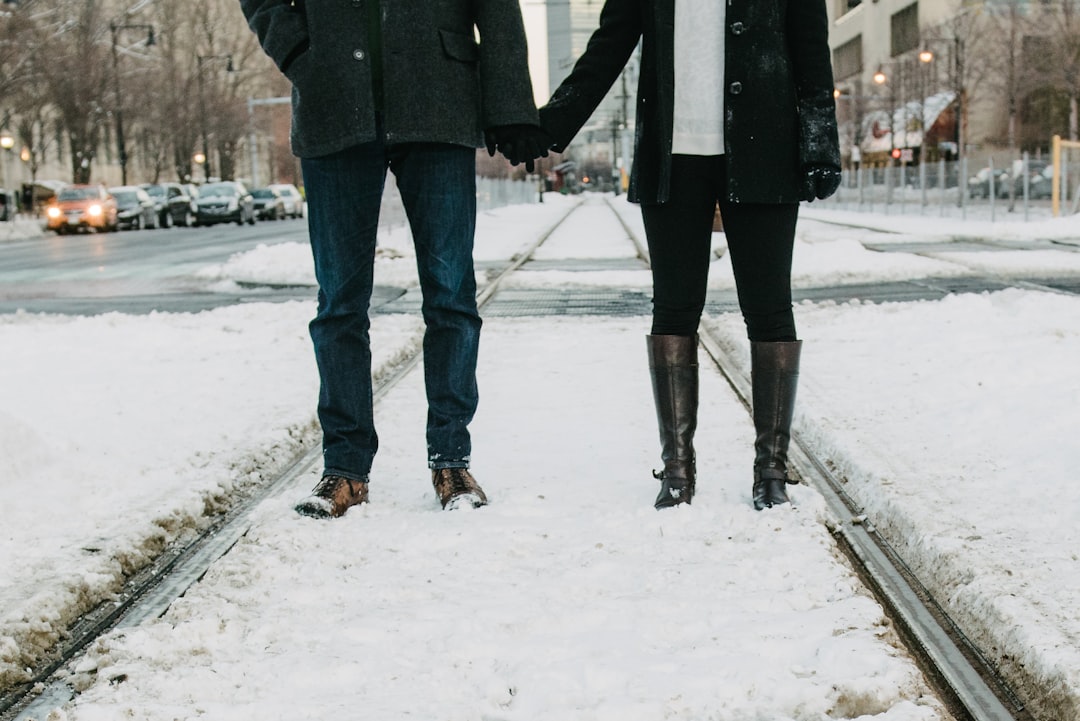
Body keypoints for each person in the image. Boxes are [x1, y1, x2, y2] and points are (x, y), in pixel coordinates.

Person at [241, 0, 549, 518]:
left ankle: (451, 461)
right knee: (339, 303)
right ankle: (344, 469)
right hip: (333, 100)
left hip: (439, 97)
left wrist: (511, 104)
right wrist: (299, 49)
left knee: (451, 296)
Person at [533, 0, 841, 510]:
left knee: (769, 309)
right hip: (672, 158)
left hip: (766, 149)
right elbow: (608, 47)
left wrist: (819, 144)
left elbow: (811, 51)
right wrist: (549, 125)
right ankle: (677, 469)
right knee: (673, 308)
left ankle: (771, 469)